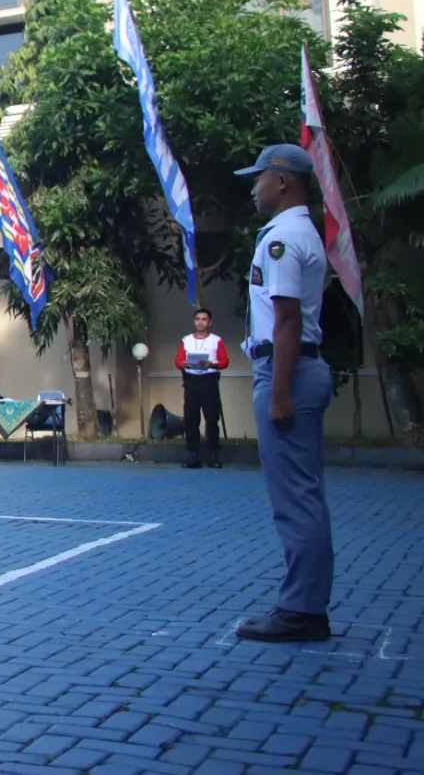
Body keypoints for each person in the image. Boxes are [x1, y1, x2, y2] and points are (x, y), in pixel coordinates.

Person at [233, 144, 334, 644]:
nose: (254, 187)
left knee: (295, 499)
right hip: (291, 367)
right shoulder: (294, 231)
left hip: (286, 370)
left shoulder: (285, 237)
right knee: (303, 495)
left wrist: (279, 393)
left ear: (283, 181)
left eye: (259, 178)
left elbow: (288, 319)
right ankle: (305, 603)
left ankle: (301, 609)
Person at [176, 307, 229, 470]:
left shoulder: (216, 340)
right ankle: (193, 455)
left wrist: (213, 364)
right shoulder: (186, 340)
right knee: (191, 418)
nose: (200, 322)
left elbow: (225, 361)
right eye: (198, 319)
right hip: (191, 382)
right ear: (194, 321)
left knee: (212, 418)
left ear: (210, 322)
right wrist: (182, 364)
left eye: (204, 319)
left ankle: (213, 454)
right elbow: (178, 360)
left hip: (209, 382)